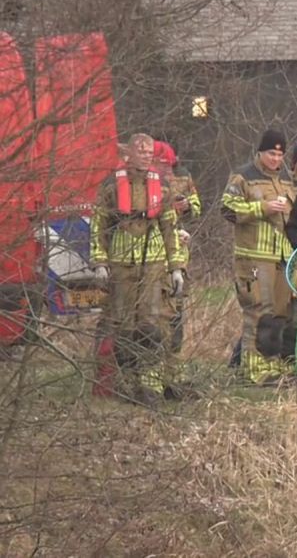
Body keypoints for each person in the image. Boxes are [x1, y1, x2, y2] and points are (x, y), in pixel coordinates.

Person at [90, 133, 186, 405]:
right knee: (122, 325)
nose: (145, 155)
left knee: (151, 325)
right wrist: (99, 262)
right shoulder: (112, 185)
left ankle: (149, 384)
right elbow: (98, 226)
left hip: (154, 265)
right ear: (128, 154)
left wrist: (176, 267)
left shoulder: (163, 186)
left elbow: (170, 228)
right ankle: (122, 382)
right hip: (121, 265)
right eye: (140, 151)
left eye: (149, 152)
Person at [221, 128, 296, 384]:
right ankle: (252, 369)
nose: (275, 159)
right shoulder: (243, 177)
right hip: (252, 257)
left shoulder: (286, 180)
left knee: (278, 313)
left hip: (280, 257)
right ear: (260, 152)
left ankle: (270, 365)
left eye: (279, 154)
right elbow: (228, 209)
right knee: (257, 311)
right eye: (271, 153)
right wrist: (262, 207)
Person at [153, 140, 199, 354]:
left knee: (176, 313)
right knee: (153, 316)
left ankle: (174, 365)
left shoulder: (183, 177)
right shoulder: (142, 183)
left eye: (169, 165)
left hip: (179, 255)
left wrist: (188, 206)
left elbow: (197, 206)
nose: (166, 171)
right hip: (153, 257)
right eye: (161, 164)